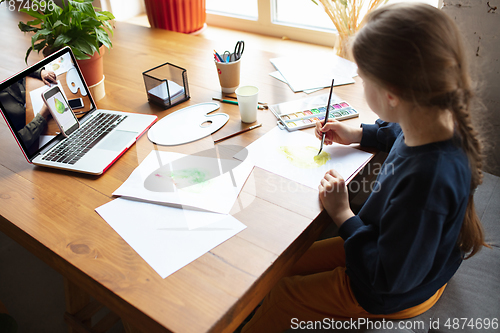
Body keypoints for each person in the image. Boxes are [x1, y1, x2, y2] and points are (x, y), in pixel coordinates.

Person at [241, 3, 488, 332]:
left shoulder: (427, 181)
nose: (358, 82)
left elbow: (387, 277)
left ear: (392, 95)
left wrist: (342, 214)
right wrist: (358, 133)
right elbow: (397, 132)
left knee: (283, 293)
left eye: (362, 78)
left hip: (391, 290)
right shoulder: (435, 118)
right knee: (280, 265)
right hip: (393, 250)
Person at [0, 68, 56, 150]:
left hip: (31, 96)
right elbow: (18, 142)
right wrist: (42, 115)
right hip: (32, 128)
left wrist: (40, 72)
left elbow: (20, 70)